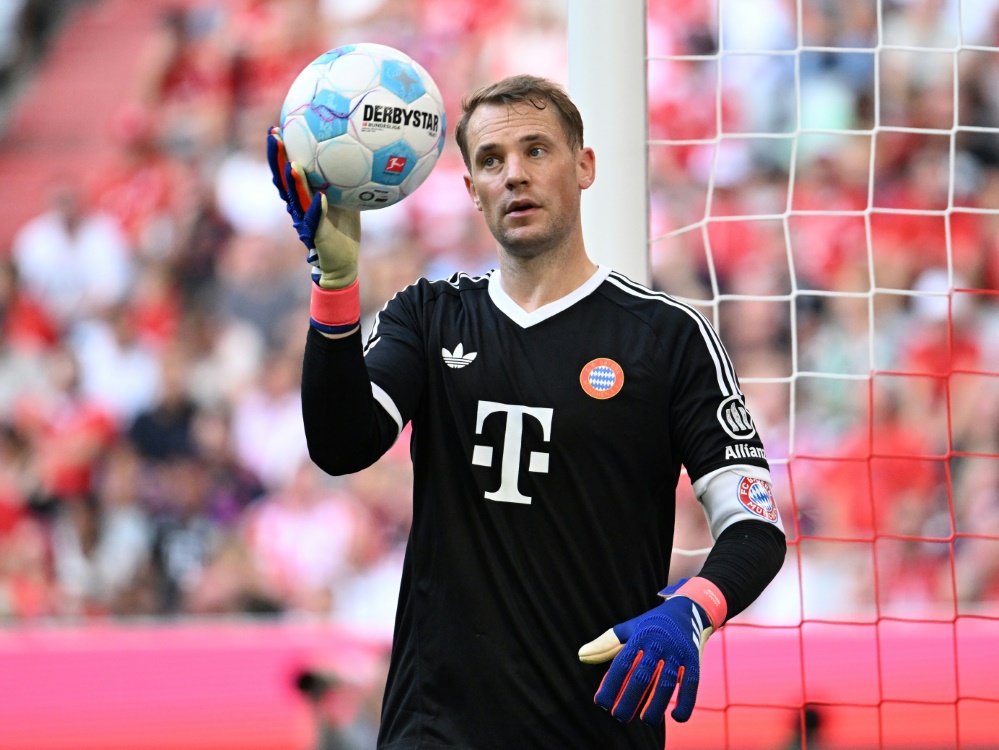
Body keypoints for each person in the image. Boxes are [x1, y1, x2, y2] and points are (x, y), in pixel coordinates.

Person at [267, 74, 787, 750]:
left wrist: (692, 607)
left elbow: (754, 526)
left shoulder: (667, 337)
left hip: (596, 728)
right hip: (434, 730)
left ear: (584, 166)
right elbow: (341, 446)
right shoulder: (427, 315)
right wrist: (335, 287)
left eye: (536, 150)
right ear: (471, 190)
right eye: (490, 160)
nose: (514, 174)